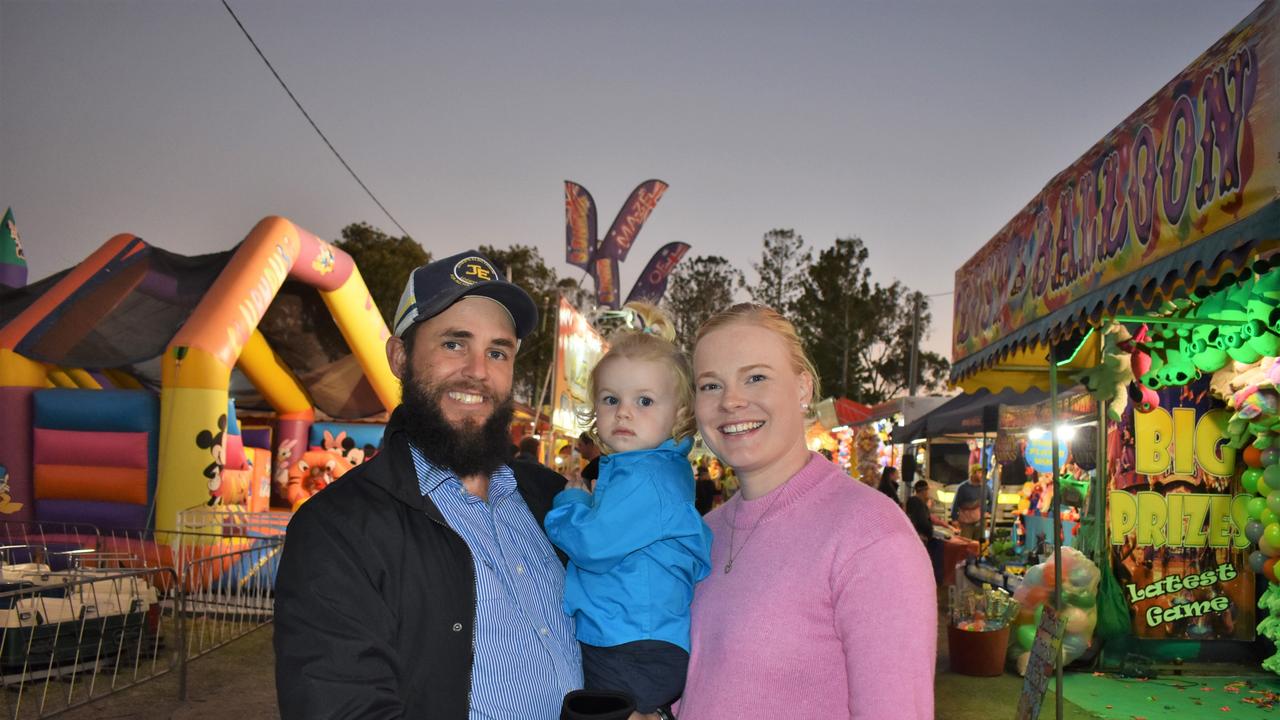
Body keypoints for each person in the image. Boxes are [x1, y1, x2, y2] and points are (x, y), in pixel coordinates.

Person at [273, 250, 581, 719]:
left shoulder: (552, 499)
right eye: (454, 344)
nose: (479, 371)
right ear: (400, 356)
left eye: (497, 351)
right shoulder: (337, 528)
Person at [679, 303, 935, 719]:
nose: (731, 401)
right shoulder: (700, 532)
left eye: (756, 377)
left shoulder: (871, 536)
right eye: (710, 385)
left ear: (803, 388)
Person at [544, 304, 713, 718]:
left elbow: (593, 543)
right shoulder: (647, 471)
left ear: (680, 413)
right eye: (611, 398)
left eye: (644, 401)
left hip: (631, 645)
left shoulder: (649, 479)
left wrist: (569, 504)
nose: (624, 411)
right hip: (634, 640)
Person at [951, 463, 992, 540]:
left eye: (983, 473)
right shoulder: (963, 487)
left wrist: (988, 511)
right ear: (973, 474)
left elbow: (992, 500)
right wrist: (954, 519)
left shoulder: (985, 487)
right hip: (966, 523)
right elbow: (955, 503)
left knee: (979, 544)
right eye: (979, 472)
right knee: (966, 544)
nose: (981, 475)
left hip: (980, 522)